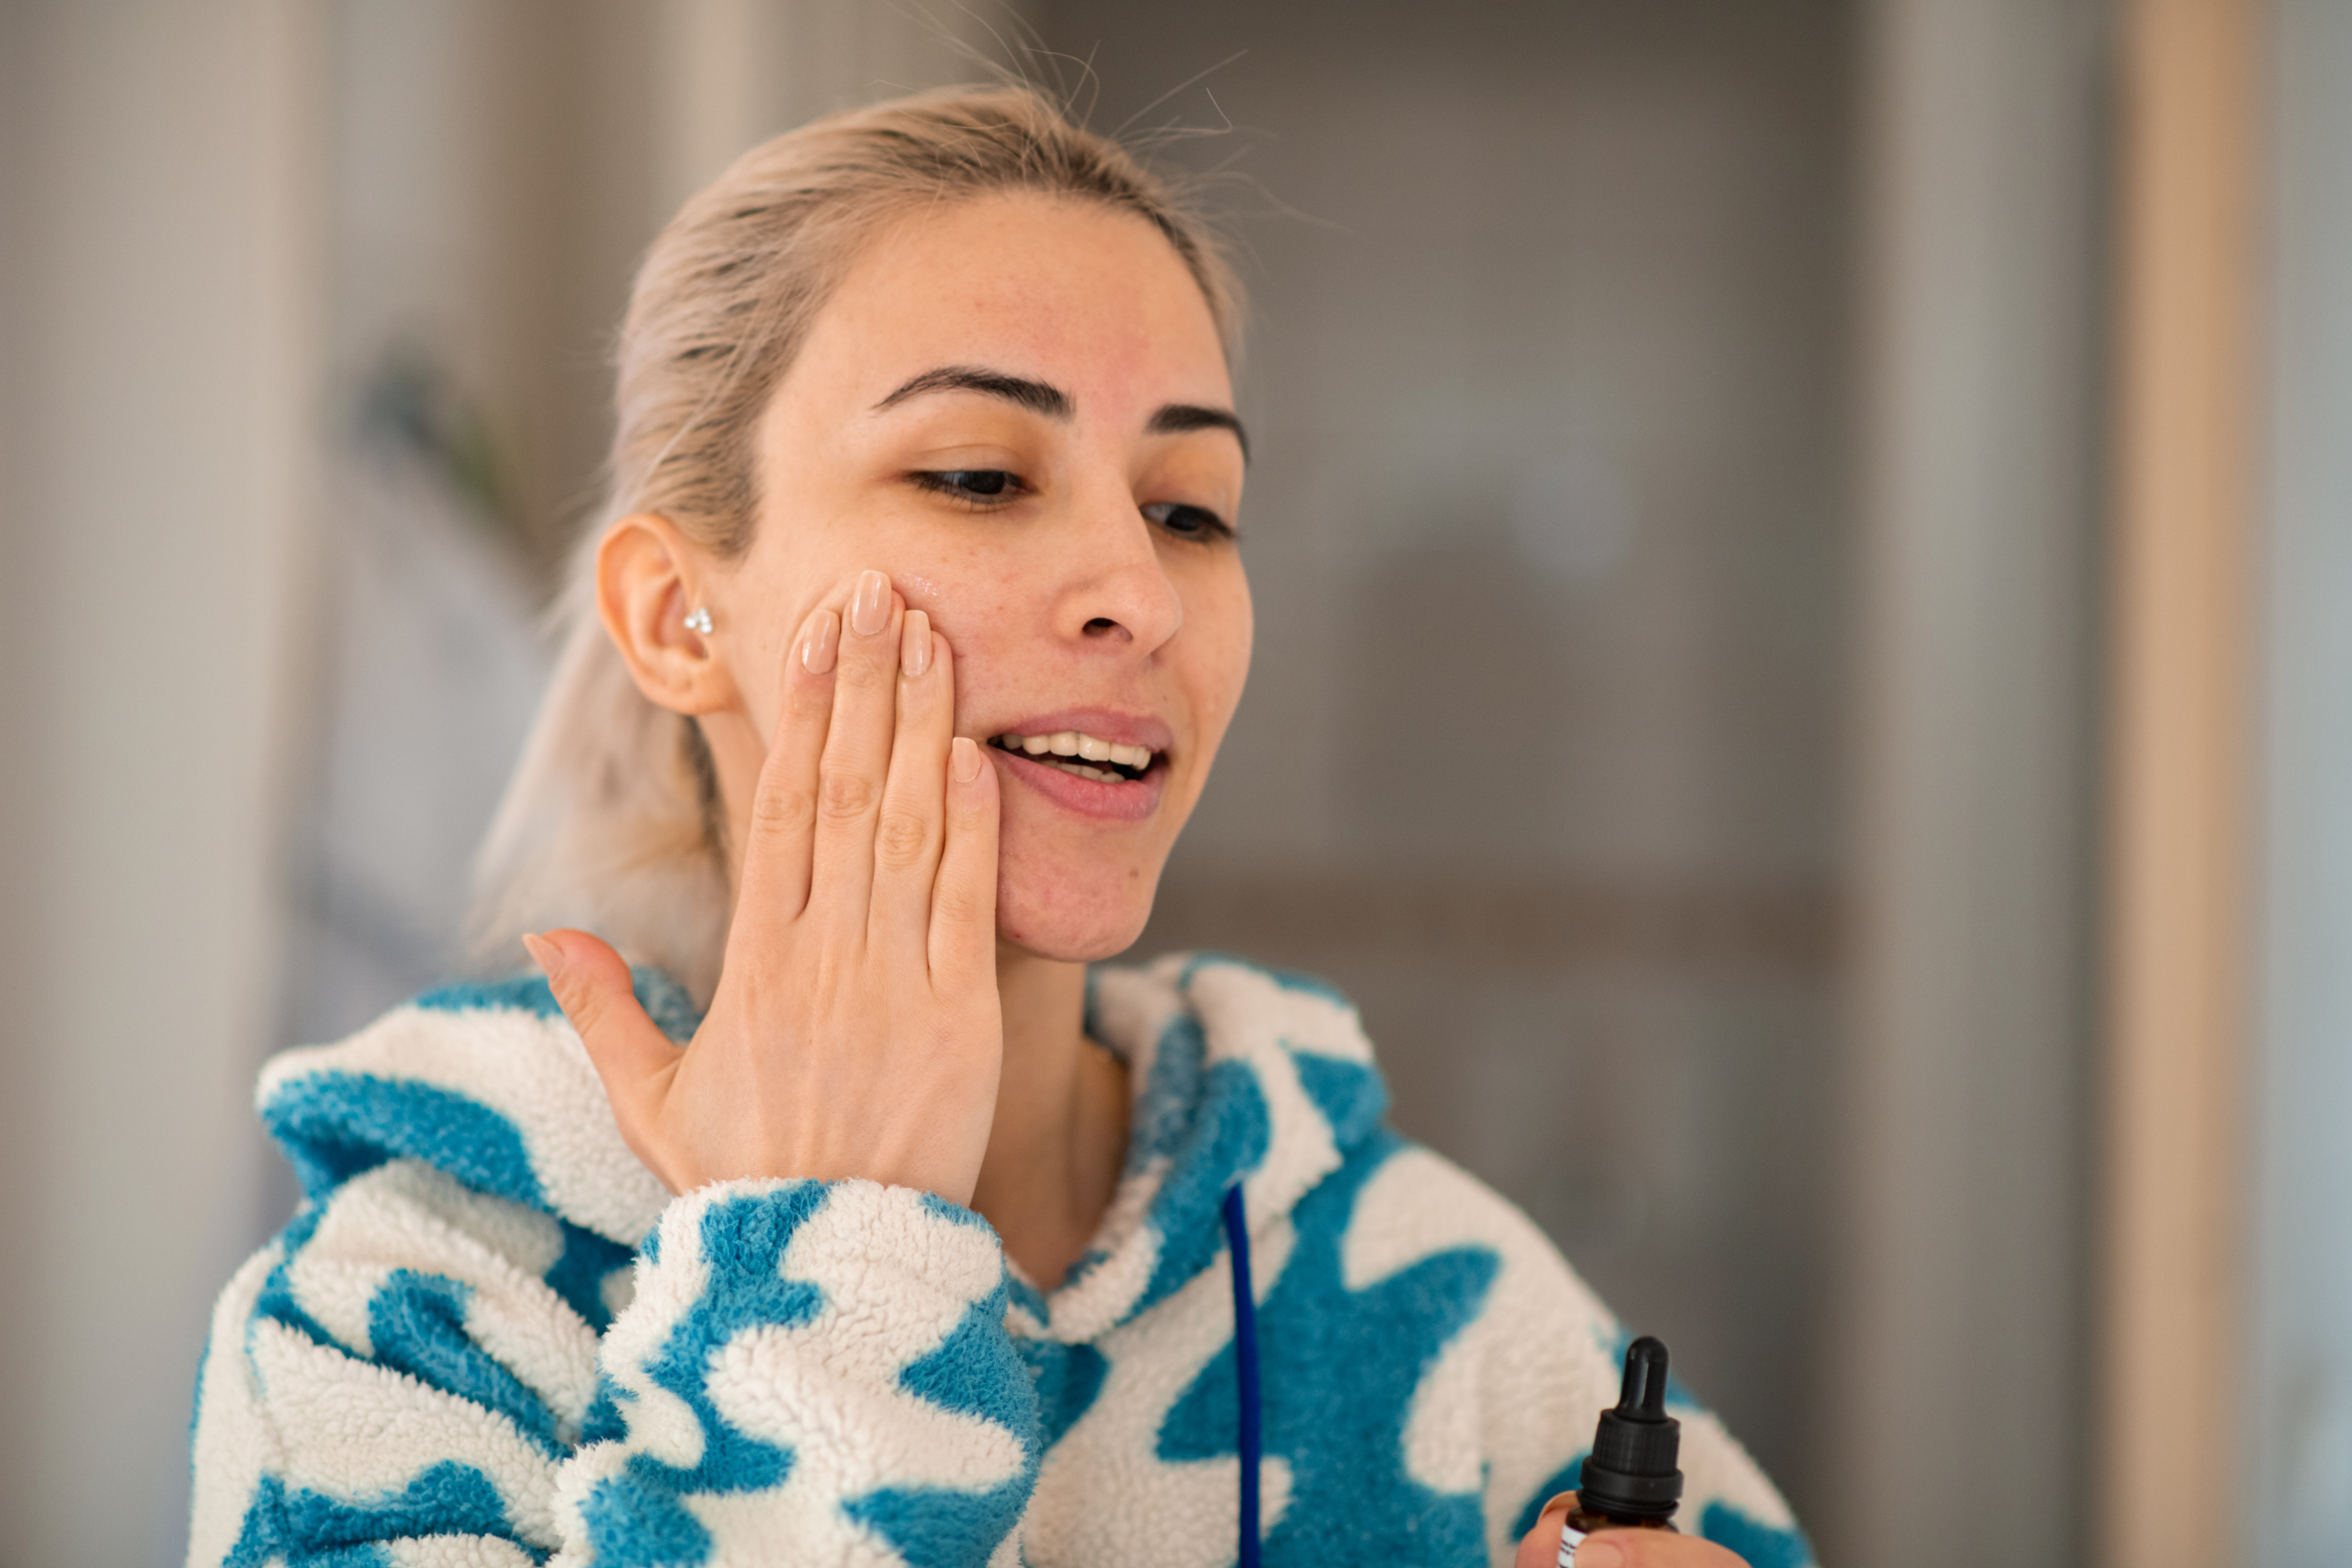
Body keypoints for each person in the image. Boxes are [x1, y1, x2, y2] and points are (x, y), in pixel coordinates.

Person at [186, 87, 1813, 1568]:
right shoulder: (409, 1317)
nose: (1137, 593)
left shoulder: (1442, 1315)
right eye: (977, 475)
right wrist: (823, 1263)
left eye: (1192, 510)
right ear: (681, 616)